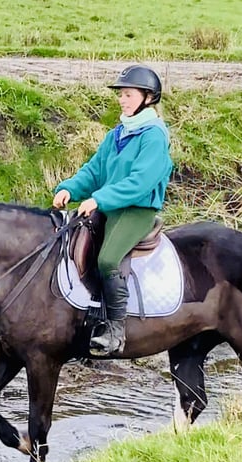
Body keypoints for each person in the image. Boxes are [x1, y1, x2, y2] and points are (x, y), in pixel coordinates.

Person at [53, 64, 173, 355]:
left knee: (107, 259)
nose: (122, 100)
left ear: (147, 97)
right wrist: (69, 188)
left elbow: (140, 182)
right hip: (110, 204)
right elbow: (94, 171)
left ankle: (116, 331)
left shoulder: (154, 136)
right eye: (121, 95)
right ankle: (87, 316)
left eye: (128, 95)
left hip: (136, 210)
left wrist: (99, 200)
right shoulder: (118, 134)